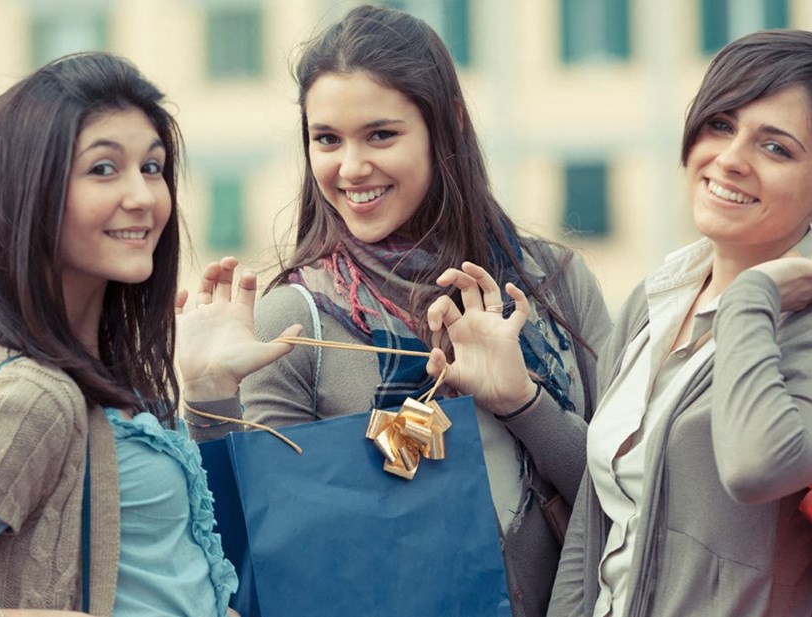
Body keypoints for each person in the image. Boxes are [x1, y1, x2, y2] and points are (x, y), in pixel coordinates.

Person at [180, 5, 611, 617]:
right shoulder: (295, 322)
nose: (351, 168)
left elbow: (629, 501)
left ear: (449, 125)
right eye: (327, 139)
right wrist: (207, 394)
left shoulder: (555, 286)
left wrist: (523, 405)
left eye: (381, 135)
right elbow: (267, 556)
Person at [0, 52, 294, 617]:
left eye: (152, 167)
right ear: (32, 193)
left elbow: (170, 564)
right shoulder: (31, 396)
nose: (144, 197)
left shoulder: (100, 372)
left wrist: (210, 387)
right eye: (104, 168)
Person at [538, 30, 812, 617]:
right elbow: (601, 513)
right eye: (721, 125)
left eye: (775, 148)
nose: (730, 159)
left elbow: (757, 466)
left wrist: (751, 297)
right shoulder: (657, 301)